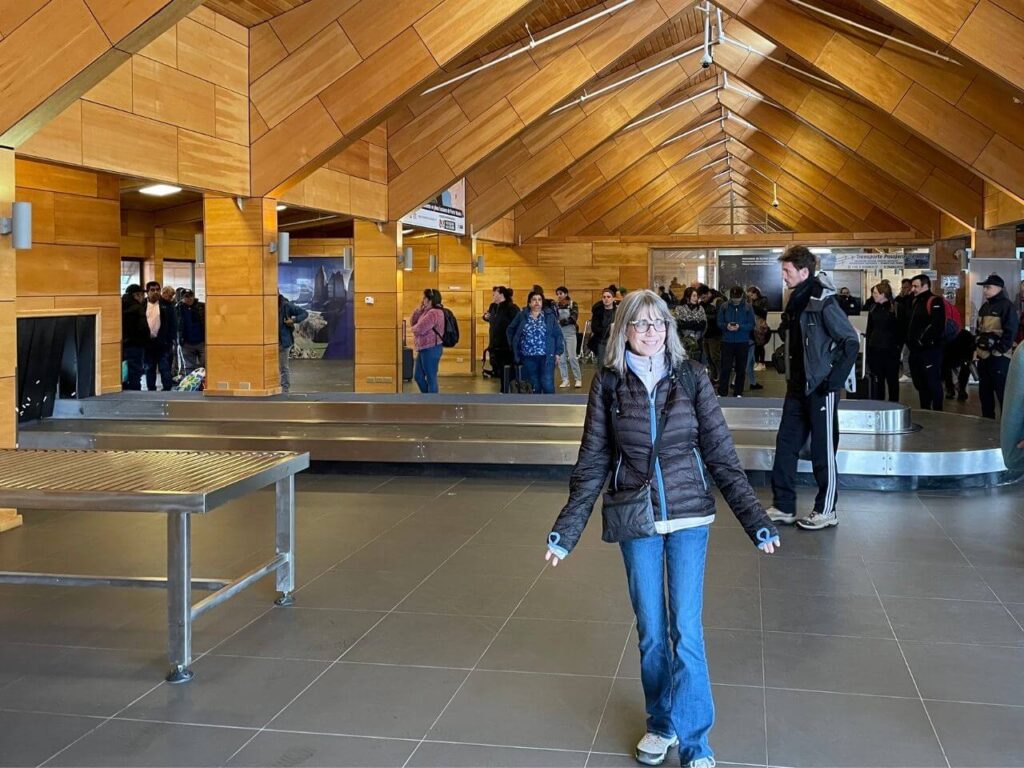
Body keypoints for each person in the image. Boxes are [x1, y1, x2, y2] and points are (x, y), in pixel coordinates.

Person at [544, 289, 779, 768]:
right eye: (640, 323)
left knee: (686, 632)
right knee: (652, 631)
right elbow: (592, 461)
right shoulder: (609, 384)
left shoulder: (692, 377)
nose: (651, 332)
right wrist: (566, 532)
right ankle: (661, 722)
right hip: (637, 518)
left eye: (658, 324)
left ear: (669, 330)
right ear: (623, 330)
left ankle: (696, 743)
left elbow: (721, 455)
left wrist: (756, 520)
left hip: (691, 517)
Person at [768, 246, 859, 531]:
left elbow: (850, 342)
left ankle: (826, 509)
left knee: (823, 450)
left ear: (804, 271)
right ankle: (783, 506)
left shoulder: (824, 301)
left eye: (787, 271)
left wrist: (833, 381)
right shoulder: (796, 300)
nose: (783, 276)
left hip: (820, 388)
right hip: (796, 388)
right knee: (785, 445)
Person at [974, 274, 1020, 419]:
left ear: (999, 288)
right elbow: (978, 329)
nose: (985, 290)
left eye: (988, 287)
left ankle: (1006, 424)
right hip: (983, 357)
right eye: (984, 287)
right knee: (985, 392)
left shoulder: (1007, 306)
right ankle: (987, 421)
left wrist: (998, 350)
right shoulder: (985, 306)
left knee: (1002, 392)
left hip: (999, 358)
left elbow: (1011, 331)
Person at [508, 290, 564, 394]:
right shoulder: (522, 316)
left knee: (547, 384)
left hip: (547, 356)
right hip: (528, 357)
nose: (537, 302)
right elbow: (510, 330)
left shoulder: (549, 316)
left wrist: (558, 352)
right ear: (529, 303)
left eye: (539, 300)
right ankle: (535, 409)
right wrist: (514, 347)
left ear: (542, 302)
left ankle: (550, 408)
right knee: (534, 385)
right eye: (534, 300)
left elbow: (558, 335)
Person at [906, 274, 946, 411]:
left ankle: (937, 411)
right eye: (912, 286)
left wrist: (923, 341)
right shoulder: (915, 301)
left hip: (929, 351)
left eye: (916, 286)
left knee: (932, 382)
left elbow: (937, 326)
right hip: (916, 351)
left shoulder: (935, 301)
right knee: (920, 383)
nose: (913, 289)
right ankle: (925, 410)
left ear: (925, 285)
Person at [864, 282, 902, 402]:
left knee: (892, 380)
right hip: (875, 348)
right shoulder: (873, 307)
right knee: (877, 379)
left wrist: (898, 347)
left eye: (875, 293)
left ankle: (894, 403)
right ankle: (878, 403)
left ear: (883, 294)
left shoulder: (896, 307)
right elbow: (869, 328)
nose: (873, 295)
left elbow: (902, 329)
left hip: (891, 350)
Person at [716, 286, 755, 397]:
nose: (735, 300)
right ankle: (722, 392)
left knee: (741, 368)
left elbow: (751, 325)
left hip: (742, 341)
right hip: (727, 341)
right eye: (733, 298)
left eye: (737, 298)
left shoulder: (748, 308)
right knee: (725, 368)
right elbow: (719, 322)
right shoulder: (724, 307)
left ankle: (738, 392)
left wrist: (740, 327)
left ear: (742, 296)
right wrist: (726, 326)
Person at [410, 289, 445, 394]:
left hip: (431, 348)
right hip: (423, 348)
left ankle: (433, 403)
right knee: (418, 376)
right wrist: (419, 310)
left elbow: (419, 329)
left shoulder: (434, 313)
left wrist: (413, 329)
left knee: (431, 377)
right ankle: (428, 399)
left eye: (425, 298)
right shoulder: (426, 311)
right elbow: (413, 322)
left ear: (430, 300)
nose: (423, 300)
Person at [143, 281, 175, 391]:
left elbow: (173, 324)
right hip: (148, 343)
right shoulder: (142, 305)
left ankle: (167, 390)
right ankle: (151, 390)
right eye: (152, 290)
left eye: (157, 289)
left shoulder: (166, 305)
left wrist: (171, 341)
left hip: (163, 343)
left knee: (165, 368)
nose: (155, 292)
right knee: (149, 368)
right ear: (147, 292)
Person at [486, 286, 518, 392]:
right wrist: (485, 317)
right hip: (494, 343)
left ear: (500, 294)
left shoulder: (511, 307)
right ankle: (504, 389)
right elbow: (491, 318)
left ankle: (506, 390)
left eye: (494, 294)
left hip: (506, 344)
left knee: (507, 369)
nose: (493, 296)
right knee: (499, 369)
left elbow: (517, 323)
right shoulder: (493, 307)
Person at [278, 294, 309, 394]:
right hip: (269, 342)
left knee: (284, 367)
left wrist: (294, 320)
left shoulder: (286, 306)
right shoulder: (266, 304)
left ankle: (285, 390)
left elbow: (304, 313)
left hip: (283, 342)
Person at [121, 284, 147, 391]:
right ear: (136, 295)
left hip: (122, 345)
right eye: (141, 295)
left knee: (124, 370)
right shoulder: (138, 308)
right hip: (136, 345)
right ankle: (135, 392)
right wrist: (146, 340)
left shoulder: (120, 306)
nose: (143, 297)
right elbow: (143, 328)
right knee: (136, 372)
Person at [555, 286, 583, 388]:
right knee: (561, 359)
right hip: (560, 334)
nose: (559, 296)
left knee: (572, 357)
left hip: (570, 334)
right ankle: (565, 379)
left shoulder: (573, 304)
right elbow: (554, 319)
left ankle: (578, 379)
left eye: (561, 293)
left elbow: (573, 318)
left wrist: (560, 322)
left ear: (566, 294)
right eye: (557, 294)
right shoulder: (556, 306)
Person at [697, 285, 725, 384]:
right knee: (708, 358)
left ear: (708, 293)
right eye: (700, 298)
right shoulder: (702, 304)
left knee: (715, 357)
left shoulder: (718, 301)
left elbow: (720, 317)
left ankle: (722, 378)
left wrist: (704, 317)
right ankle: (714, 377)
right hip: (705, 334)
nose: (702, 300)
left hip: (715, 334)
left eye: (704, 297)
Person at [672, 287, 706, 363]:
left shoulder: (700, 309)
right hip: (683, 341)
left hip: (697, 342)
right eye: (693, 296)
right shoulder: (679, 308)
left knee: (697, 363)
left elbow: (703, 325)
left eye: (697, 296)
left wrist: (689, 324)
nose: (696, 298)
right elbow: (679, 324)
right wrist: (694, 323)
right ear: (687, 297)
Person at [177, 289, 206, 375]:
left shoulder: (202, 307)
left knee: (204, 366)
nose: (189, 298)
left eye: (191, 296)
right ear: (182, 298)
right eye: (186, 296)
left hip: (202, 342)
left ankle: (204, 385)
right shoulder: (178, 309)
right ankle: (190, 386)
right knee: (189, 367)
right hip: (186, 343)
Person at [589, 287, 618, 366]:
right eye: (604, 297)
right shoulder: (598, 312)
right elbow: (594, 328)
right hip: (602, 341)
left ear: (613, 299)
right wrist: (608, 330)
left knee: (614, 365)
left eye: (608, 297)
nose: (606, 299)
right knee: (601, 365)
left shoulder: (617, 312)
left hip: (614, 342)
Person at [748, 286, 769, 375]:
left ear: (756, 293)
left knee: (760, 344)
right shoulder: (751, 302)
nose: (751, 297)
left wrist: (752, 306)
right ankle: (756, 363)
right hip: (753, 325)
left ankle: (762, 363)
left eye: (751, 295)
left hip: (760, 325)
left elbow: (763, 312)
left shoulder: (763, 300)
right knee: (755, 344)